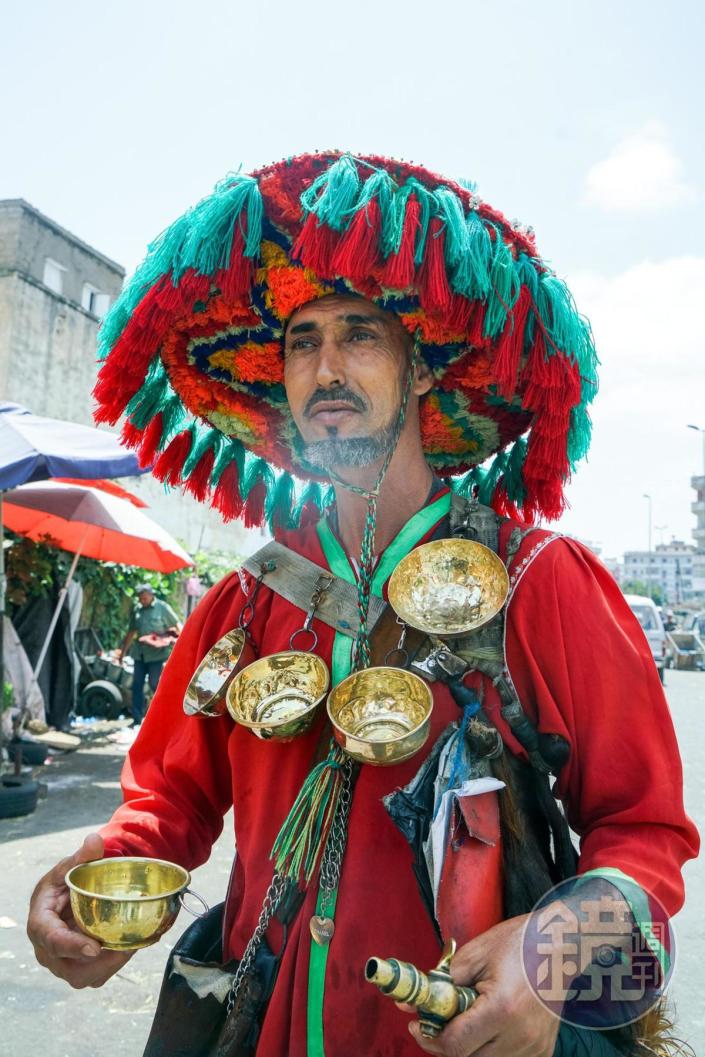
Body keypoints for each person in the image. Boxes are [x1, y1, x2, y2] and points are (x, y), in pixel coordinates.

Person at [28, 153, 698, 1057]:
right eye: (302, 342)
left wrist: (555, 955)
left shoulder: (541, 578)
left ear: (422, 369)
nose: (326, 367)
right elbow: (171, 800)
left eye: (360, 335)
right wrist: (98, 875)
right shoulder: (243, 598)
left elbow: (644, 831)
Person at [117, 584, 182, 725]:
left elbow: (177, 625)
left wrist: (182, 644)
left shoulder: (162, 607)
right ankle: (137, 719)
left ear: (151, 595)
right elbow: (131, 632)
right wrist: (123, 652)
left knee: (155, 684)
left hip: (157, 655)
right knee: (137, 685)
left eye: (145, 597)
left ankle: (165, 716)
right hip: (140, 654)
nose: (142, 600)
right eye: (140, 598)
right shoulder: (137, 610)